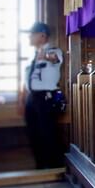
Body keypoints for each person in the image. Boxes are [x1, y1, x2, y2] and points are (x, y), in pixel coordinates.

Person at [23, 22, 64, 168]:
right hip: (32, 98)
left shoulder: (54, 51)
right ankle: (40, 165)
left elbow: (55, 58)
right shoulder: (33, 56)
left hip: (45, 97)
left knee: (48, 131)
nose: (29, 37)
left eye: (32, 34)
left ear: (42, 35)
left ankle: (55, 166)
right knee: (33, 132)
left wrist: (46, 56)